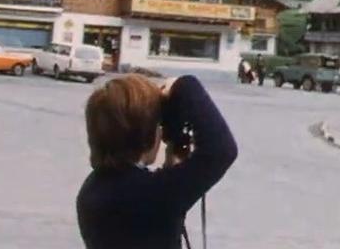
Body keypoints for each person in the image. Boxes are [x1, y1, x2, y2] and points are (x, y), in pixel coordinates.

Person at [77, 75, 238, 249]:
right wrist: (183, 85)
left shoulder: (92, 190)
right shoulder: (154, 195)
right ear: (145, 135)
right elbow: (221, 150)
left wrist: (171, 165)